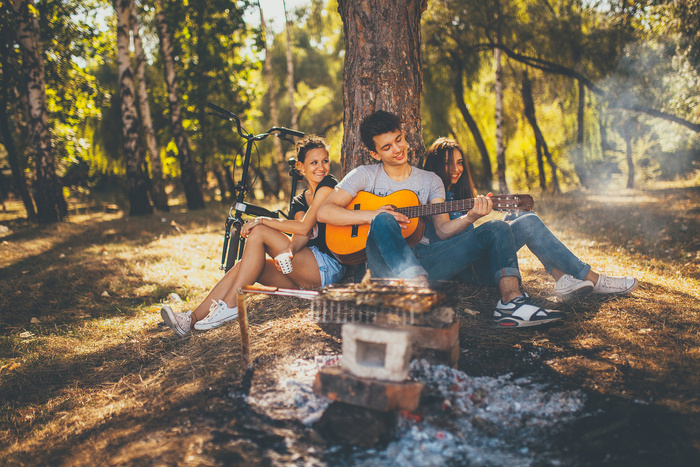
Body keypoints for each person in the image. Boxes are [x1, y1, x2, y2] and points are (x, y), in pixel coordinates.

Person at [318, 110, 562, 328]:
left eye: (399, 140)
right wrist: (373, 215)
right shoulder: (364, 175)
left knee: (496, 228)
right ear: (374, 153)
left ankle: (512, 302)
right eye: (387, 147)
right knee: (383, 221)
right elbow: (325, 211)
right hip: (381, 268)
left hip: (426, 260)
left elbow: (444, 231)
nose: (397, 149)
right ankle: (420, 292)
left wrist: (471, 216)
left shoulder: (430, 180)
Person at [161, 135, 346, 336]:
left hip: (328, 268)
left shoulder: (328, 185)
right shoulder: (300, 201)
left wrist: (262, 220)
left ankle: (231, 305)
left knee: (258, 231)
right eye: (314, 163)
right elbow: (303, 236)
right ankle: (190, 320)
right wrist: (290, 250)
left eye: (325, 161)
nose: (321, 167)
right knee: (245, 267)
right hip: (305, 274)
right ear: (301, 166)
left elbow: (303, 227)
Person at [423, 137, 638, 300]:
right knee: (529, 222)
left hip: (479, 260)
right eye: (447, 163)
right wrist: (471, 218)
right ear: (435, 165)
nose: (456, 169)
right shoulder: (433, 194)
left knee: (522, 214)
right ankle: (593, 279)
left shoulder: (457, 194)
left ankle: (561, 277)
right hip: (473, 272)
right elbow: (444, 232)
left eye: (459, 162)